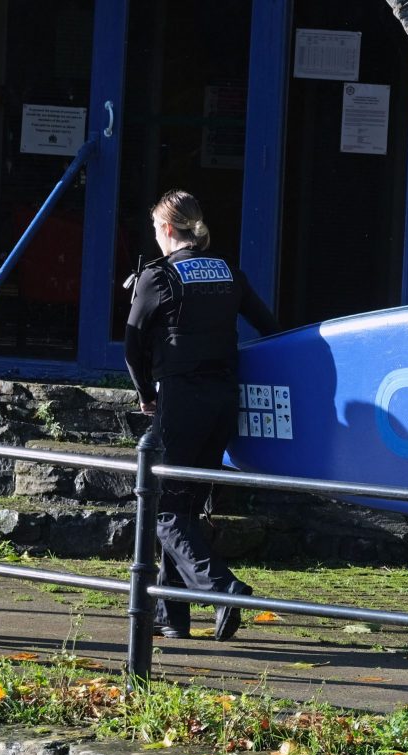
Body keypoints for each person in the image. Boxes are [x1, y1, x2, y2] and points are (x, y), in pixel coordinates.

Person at [124, 189, 279, 642]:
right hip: (223, 401)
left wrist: (143, 394)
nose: (155, 236)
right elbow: (268, 327)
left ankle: (224, 589)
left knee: (162, 508)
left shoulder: (159, 277)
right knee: (186, 507)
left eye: (156, 228)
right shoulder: (228, 269)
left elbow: (133, 346)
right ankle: (174, 617)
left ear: (168, 229)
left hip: (181, 398)